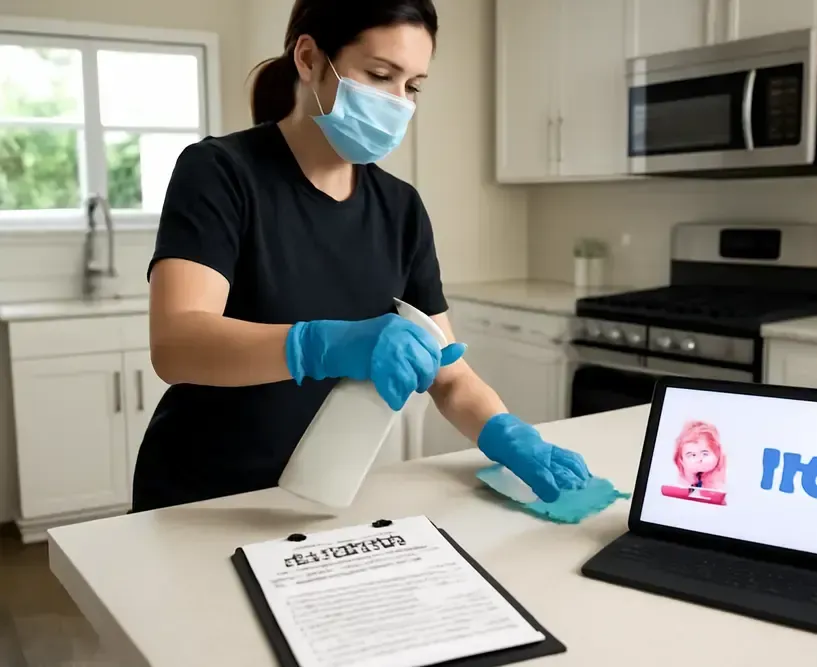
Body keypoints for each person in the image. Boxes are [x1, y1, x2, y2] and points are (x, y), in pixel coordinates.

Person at [130, 0, 592, 512]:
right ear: (308, 59)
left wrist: (506, 434)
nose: (398, 102)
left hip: (323, 494)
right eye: (379, 75)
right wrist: (321, 344)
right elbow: (176, 345)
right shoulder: (220, 173)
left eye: (412, 86)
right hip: (198, 496)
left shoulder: (401, 209)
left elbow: (448, 372)